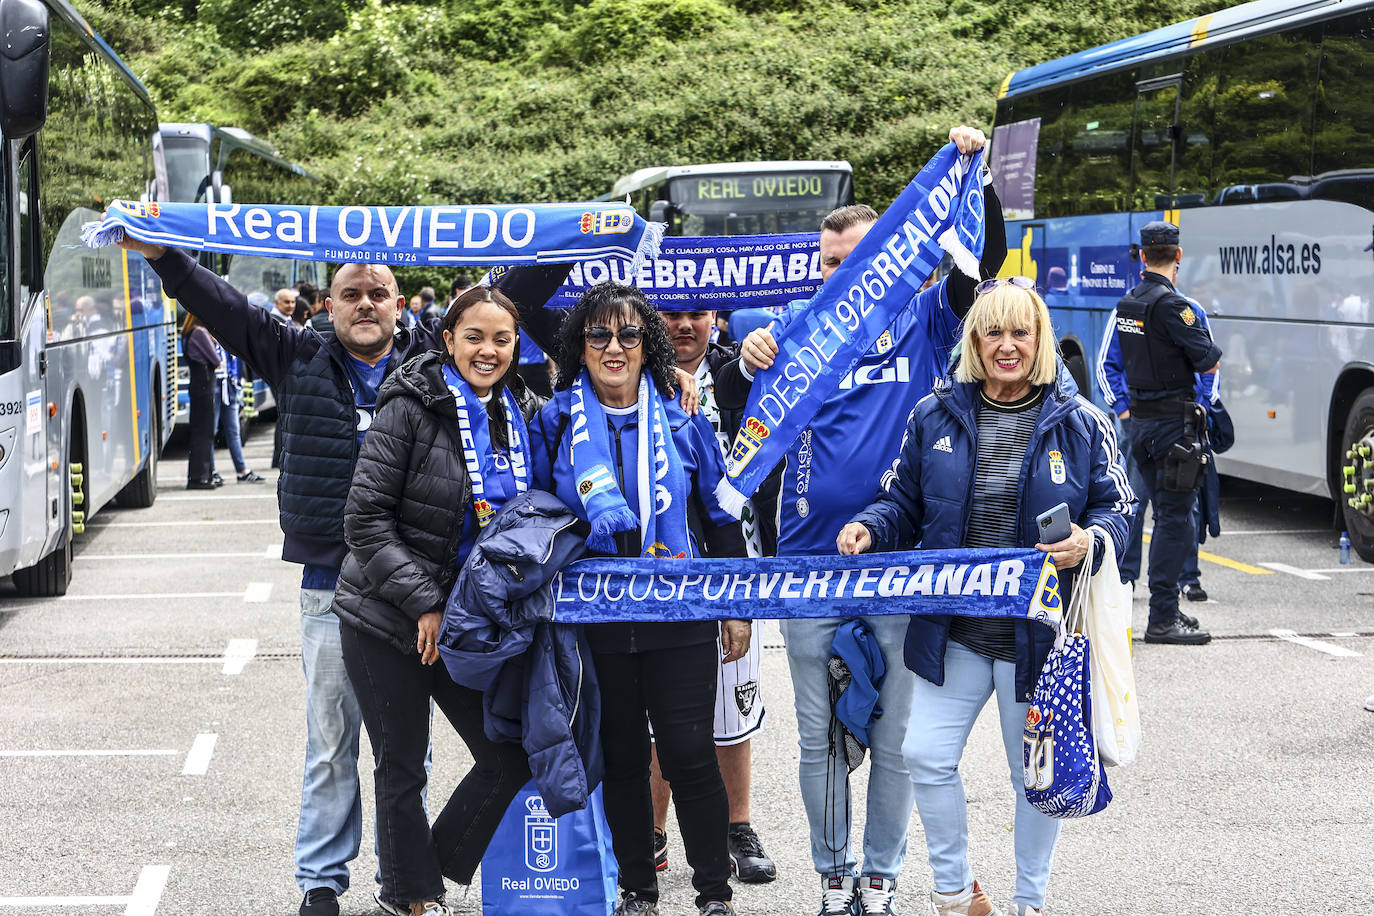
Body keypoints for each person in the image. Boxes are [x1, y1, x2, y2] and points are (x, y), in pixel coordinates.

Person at [108, 230, 573, 916]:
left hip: (439, 591)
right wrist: (161, 256)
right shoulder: (296, 354)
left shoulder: (429, 360)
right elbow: (226, 305)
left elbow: (508, 299)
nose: (365, 304)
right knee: (334, 743)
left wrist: (574, 234)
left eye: (378, 293)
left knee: (416, 752)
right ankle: (323, 879)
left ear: (399, 306)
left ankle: (409, 880)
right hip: (338, 584)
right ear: (328, 306)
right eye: (351, 294)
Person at [717, 126, 1003, 916]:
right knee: (818, 738)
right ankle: (832, 878)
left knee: (895, 738)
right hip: (807, 559)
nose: (841, 277)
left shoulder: (924, 318)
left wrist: (972, 175)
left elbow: (985, 263)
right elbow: (720, 389)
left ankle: (880, 880)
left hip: (900, 558)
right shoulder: (787, 329)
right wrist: (748, 362)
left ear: (888, 260)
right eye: (830, 265)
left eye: (857, 262)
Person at [839, 277, 1133, 916]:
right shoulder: (934, 413)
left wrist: (1092, 538)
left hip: (1040, 638)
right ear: (974, 340)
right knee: (924, 755)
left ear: (1039, 340)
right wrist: (871, 525)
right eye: (993, 331)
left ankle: (1029, 904)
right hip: (957, 631)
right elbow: (902, 501)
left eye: (1020, 332)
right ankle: (955, 893)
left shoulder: (1081, 421)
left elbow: (1120, 506)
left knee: (1034, 779)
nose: (1007, 346)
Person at [529, 283, 749, 916]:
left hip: (677, 618)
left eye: (629, 334)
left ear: (648, 345)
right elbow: (535, 518)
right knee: (622, 759)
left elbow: (720, 516)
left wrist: (736, 606)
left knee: (688, 753)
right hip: (595, 624)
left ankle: (713, 892)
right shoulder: (554, 422)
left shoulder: (683, 420)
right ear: (579, 347)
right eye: (599, 335)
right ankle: (638, 891)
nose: (615, 348)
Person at [333, 286, 538, 916]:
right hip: (385, 617)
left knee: (511, 758)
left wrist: (677, 380)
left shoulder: (525, 409)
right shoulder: (409, 403)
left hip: (467, 622)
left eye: (502, 339)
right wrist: (425, 603)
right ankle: (410, 897)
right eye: (474, 336)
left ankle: (431, 869)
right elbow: (364, 519)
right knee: (402, 765)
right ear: (446, 339)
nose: (488, 350)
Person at [649, 306, 775, 883]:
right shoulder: (637, 375)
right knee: (656, 714)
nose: (684, 326)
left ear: (715, 318)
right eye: (670, 315)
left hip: (732, 560)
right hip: (659, 569)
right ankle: (650, 833)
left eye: (696, 314)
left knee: (735, 705)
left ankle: (736, 827)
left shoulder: (737, 373)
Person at [1111, 221, 1220, 645]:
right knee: (1175, 520)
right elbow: (1208, 359)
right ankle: (1162, 618)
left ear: (1142, 256)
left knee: (1151, 513)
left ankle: (1164, 610)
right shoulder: (1175, 306)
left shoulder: (1128, 304)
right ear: (1177, 256)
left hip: (1140, 425)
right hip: (1173, 427)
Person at [1097, 283, 1219, 609]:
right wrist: (1123, 411)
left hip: (1171, 423)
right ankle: (1127, 578)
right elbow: (1106, 365)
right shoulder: (1129, 310)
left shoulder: (1187, 309)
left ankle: (1187, 578)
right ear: (1176, 259)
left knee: (1181, 508)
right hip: (1147, 423)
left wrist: (1204, 405)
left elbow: (1208, 367)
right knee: (1140, 504)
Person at [211, 342, 265, 483]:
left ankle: (241, 470)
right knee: (211, 430)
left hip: (231, 383)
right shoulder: (207, 330)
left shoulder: (229, 329)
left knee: (234, 430)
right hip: (216, 384)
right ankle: (210, 470)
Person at [182, 313, 222, 490]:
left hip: (197, 384)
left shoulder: (188, 333)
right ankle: (200, 477)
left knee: (200, 431)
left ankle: (202, 474)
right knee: (204, 432)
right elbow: (216, 360)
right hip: (205, 385)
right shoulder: (200, 333)